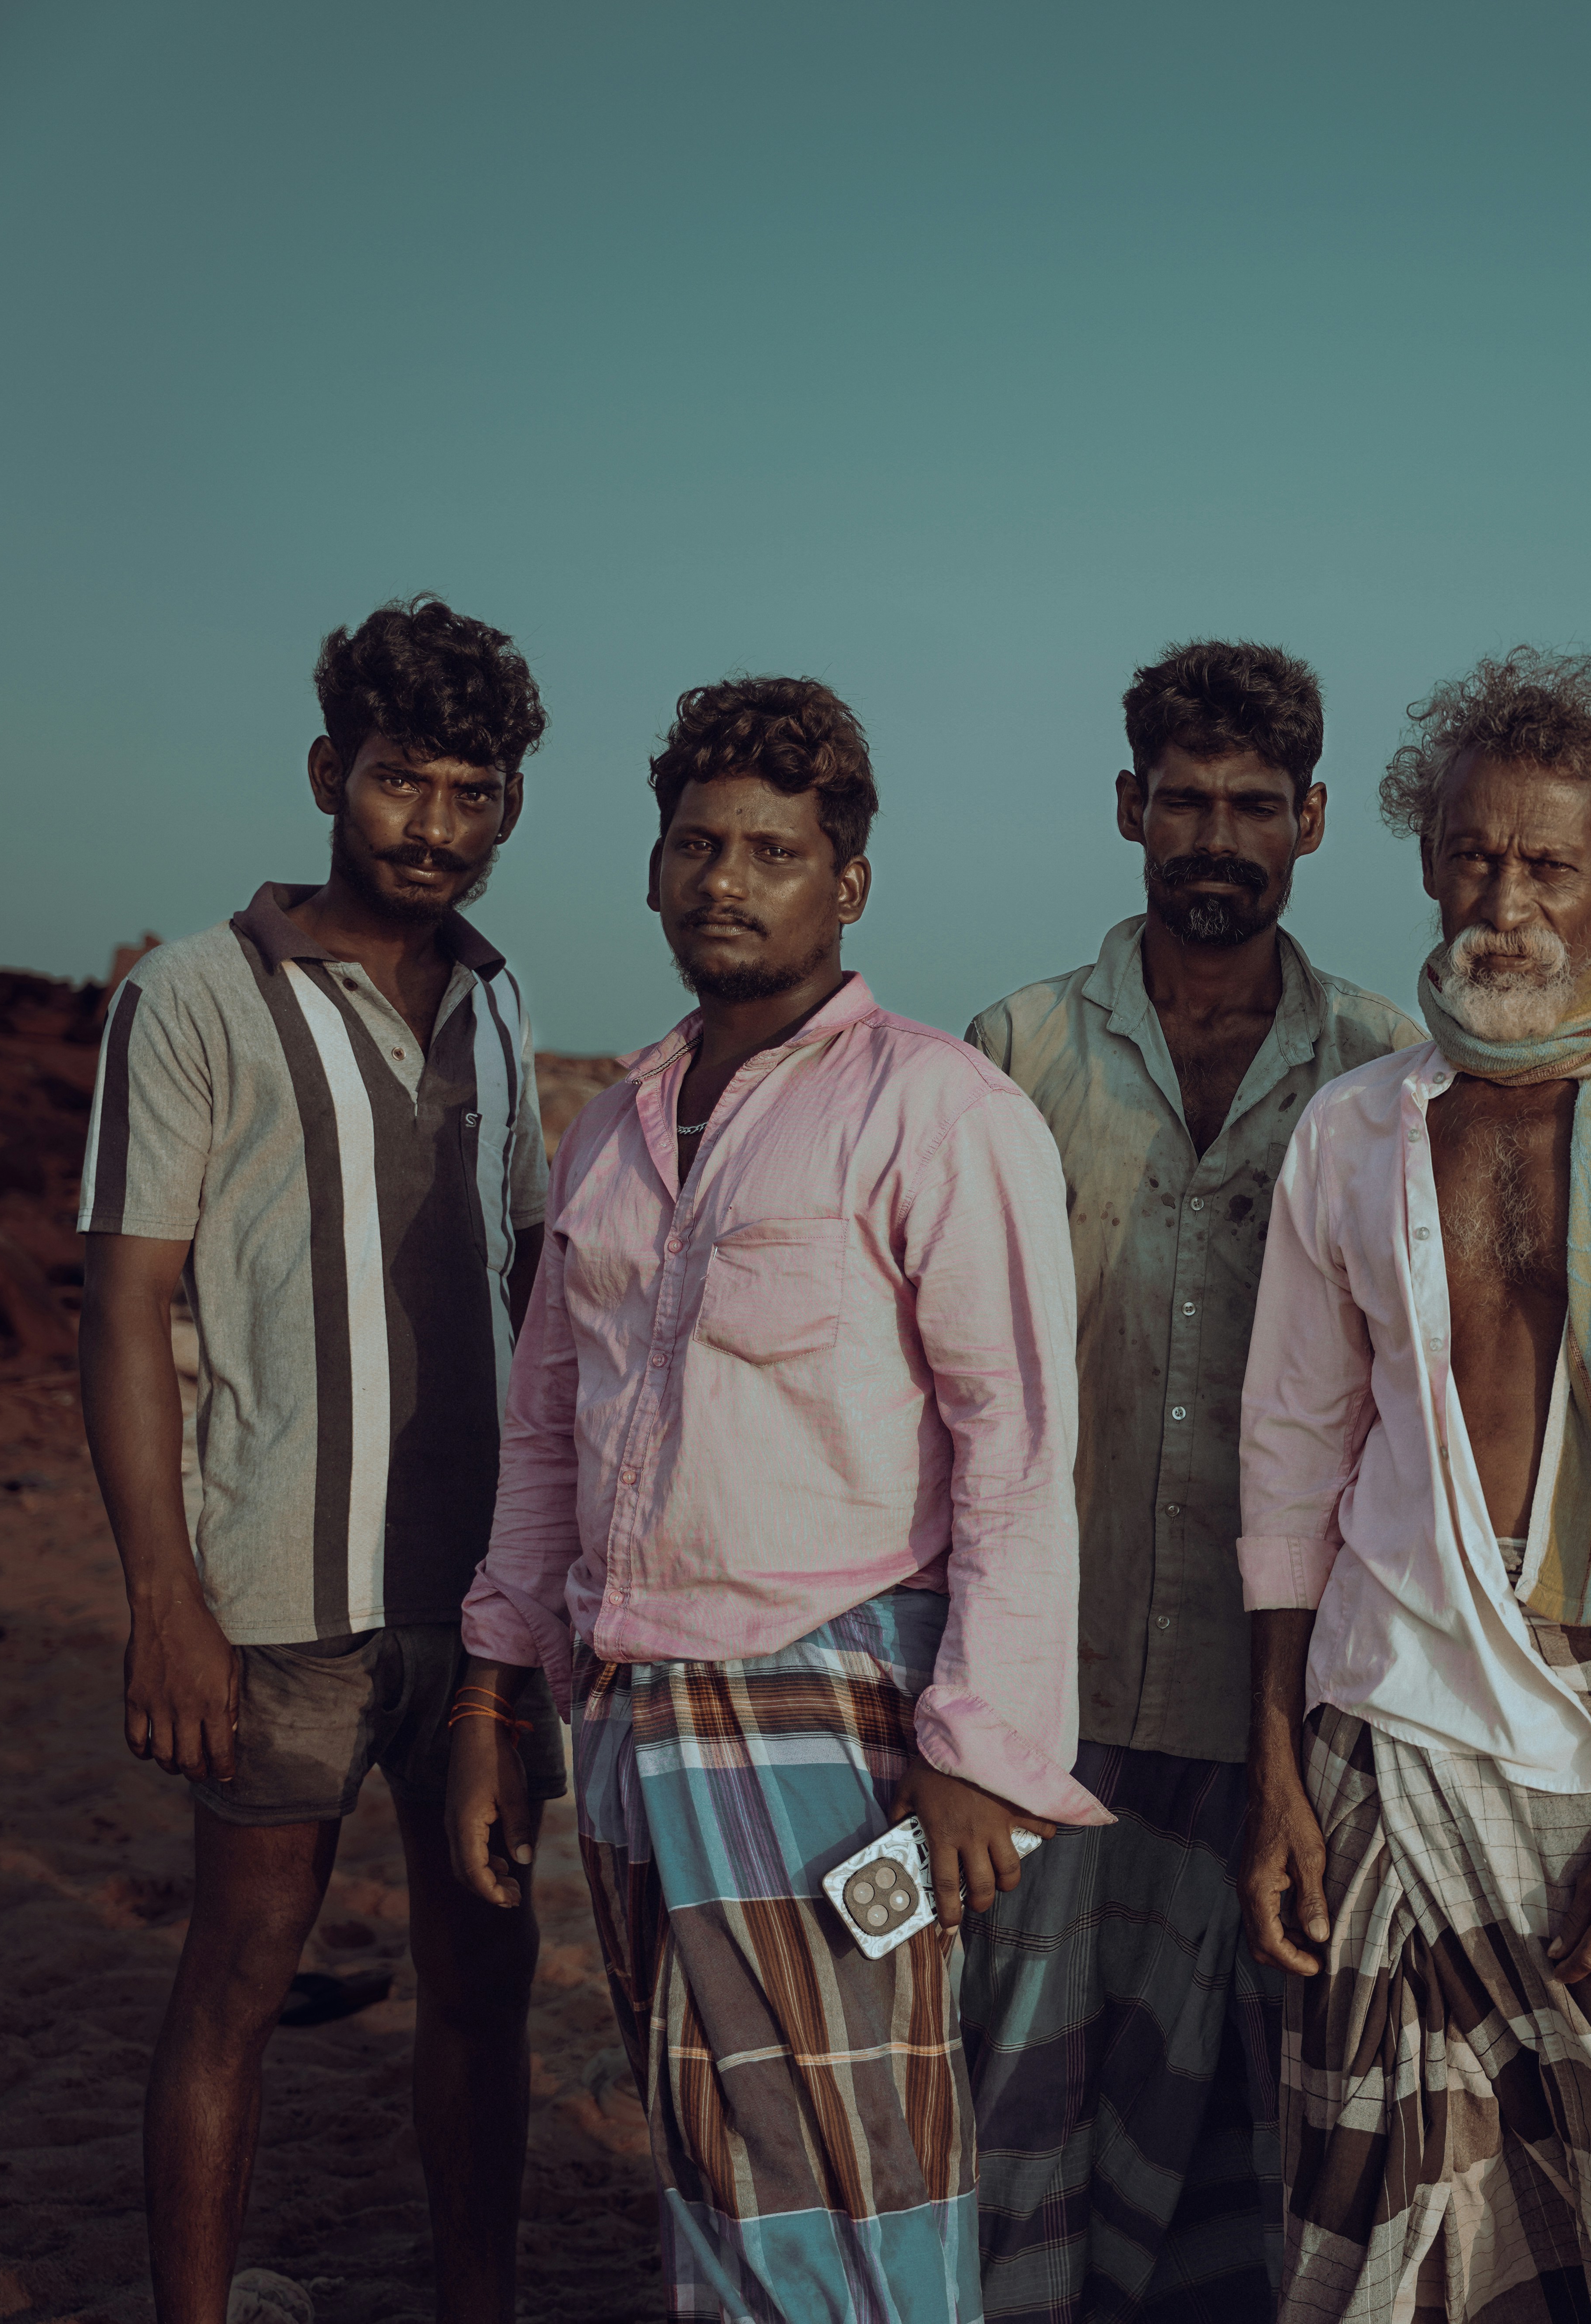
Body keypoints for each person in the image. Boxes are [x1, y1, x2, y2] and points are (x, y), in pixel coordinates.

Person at [450, 676, 1113, 2322]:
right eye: (697, 845)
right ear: (653, 868)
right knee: (713, 2153)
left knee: (859, 2167)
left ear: (848, 883)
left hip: (840, 1721)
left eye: (772, 851)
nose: (727, 881)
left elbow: (1019, 1449)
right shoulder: (609, 1135)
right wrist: (492, 1698)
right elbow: (544, 1437)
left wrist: (981, 1749)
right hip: (629, 1714)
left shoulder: (937, 1108)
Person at [1230, 648, 1591, 2323]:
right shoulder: (1354, 1130)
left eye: (1550, 866)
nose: (1506, 903)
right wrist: (1278, 1778)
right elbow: (1289, 1467)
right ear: (1425, 860)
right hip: (1382, 1718)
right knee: (1363, 2214)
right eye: (1475, 857)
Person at [76, 598, 555, 2324]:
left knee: (483, 1983)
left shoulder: (500, 1006)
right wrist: (165, 1604)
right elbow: (124, 1307)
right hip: (278, 1596)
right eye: (400, 780)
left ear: (509, 808)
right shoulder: (196, 995)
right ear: (326, 773)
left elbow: (534, 1286)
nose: (433, 825)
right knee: (237, 1983)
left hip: (484, 1608)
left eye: (472, 792)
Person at [960, 640, 1414, 2321]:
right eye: (1184, 801)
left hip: (1290, 1700)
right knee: (1029, 2099)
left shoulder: (1381, 1070)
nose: (1216, 837)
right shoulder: (1016, 1051)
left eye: (1253, 806)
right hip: (1053, 1684)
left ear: (1312, 821)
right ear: (1128, 808)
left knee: (1259, 2111)